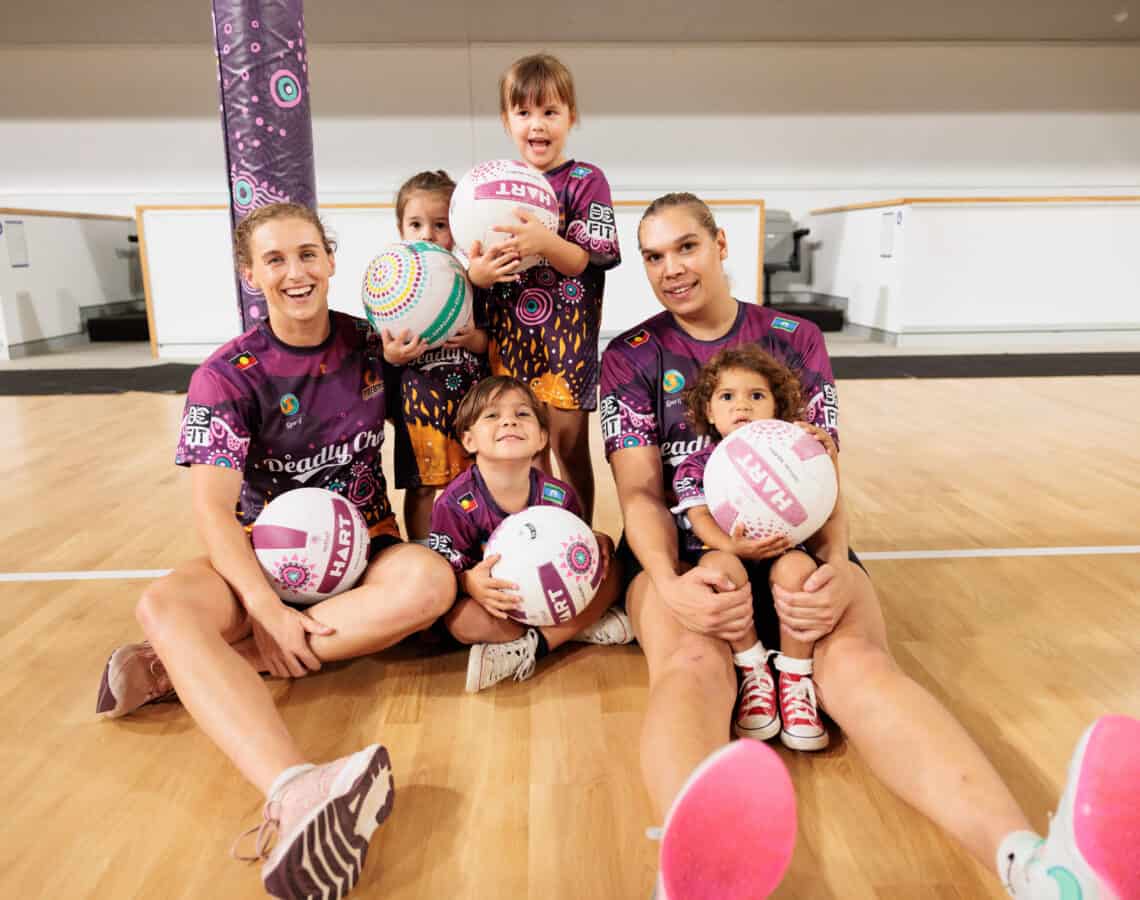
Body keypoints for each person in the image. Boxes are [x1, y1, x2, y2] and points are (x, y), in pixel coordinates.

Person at [600, 191, 1140, 898]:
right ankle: (690, 878)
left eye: (686, 247)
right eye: (654, 256)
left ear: (721, 245)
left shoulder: (795, 338)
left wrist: (832, 567)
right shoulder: (631, 355)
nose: (671, 267)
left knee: (858, 664)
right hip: (692, 554)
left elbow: (823, 475)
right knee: (693, 665)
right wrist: (669, 583)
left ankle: (1036, 869)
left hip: (800, 545)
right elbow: (639, 493)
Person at [94, 202, 456, 900]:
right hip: (263, 556)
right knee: (162, 605)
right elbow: (210, 509)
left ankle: (193, 671)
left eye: (308, 253)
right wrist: (263, 606)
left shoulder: (371, 342)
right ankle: (297, 788)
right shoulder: (227, 375)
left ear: (330, 260)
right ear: (249, 273)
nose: (296, 271)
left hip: (364, 548)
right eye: (276, 259)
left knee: (430, 584)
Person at [672, 344, 836, 751]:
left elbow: (823, 498)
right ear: (709, 411)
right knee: (719, 569)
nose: (741, 405)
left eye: (756, 396)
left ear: (778, 408)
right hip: (727, 548)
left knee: (801, 573)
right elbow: (699, 519)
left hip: (782, 548)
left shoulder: (795, 452)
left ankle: (796, 678)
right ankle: (753, 669)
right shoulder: (699, 464)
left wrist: (823, 454)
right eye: (727, 396)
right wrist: (731, 545)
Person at [482, 52, 621, 522]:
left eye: (549, 111)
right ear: (506, 120)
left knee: (568, 449)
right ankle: (537, 529)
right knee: (528, 453)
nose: (536, 125)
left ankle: (580, 529)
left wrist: (545, 241)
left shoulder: (586, 181)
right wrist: (478, 275)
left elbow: (586, 258)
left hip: (567, 347)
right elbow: (478, 262)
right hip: (512, 343)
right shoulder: (497, 186)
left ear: (571, 117)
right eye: (523, 112)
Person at [428, 375, 633, 692]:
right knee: (461, 621)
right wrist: (468, 582)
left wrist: (594, 545)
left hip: (551, 595)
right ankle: (574, 629)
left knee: (615, 568)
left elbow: (572, 555)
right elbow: (443, 571)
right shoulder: (455, 504)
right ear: (469, 441)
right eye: (492, 415)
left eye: (522, 414)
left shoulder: (559, 495)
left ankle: (532, 643)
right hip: (501, 604)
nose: (509, 421)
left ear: (541, 438)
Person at [381, 170, 495, 542]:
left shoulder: (472, 278)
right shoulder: (391, 287)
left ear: (458, 228)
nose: (427, 234)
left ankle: (474, 543)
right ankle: (422, 549)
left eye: (440, 224)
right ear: (401, 229)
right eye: (416, 224)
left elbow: (494, 341)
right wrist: (393, 356)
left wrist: (476, 339)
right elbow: (381, 352)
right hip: (420, 407)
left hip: (469, 402)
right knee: (423, 486)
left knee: (476, 478)